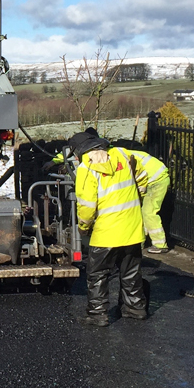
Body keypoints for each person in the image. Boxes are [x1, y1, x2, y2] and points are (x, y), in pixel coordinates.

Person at [69, 130, 149, 326]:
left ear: (78, 152)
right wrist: (137, 201)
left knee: (97, 274)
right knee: (130, 271)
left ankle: (98, 314)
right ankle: (135, 308)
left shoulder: (86, 167)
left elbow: (87, 205)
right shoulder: (122, 153)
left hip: (106, 232)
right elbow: (143, 176)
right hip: (132, 227)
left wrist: (83, 227)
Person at [120, 148, 170, 254]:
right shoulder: (123, 154)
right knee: (142, 211)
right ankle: (140, 242)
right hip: (154, 177)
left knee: (148, 212)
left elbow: (139, 178)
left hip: (157, 180)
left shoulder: (123, 159)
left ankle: (160, 244)